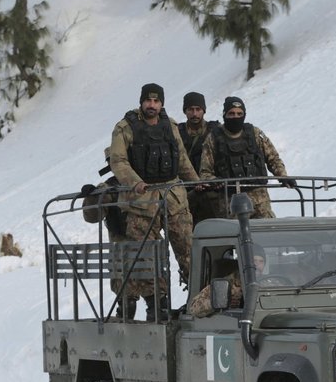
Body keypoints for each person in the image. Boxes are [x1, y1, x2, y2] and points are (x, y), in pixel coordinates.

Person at [103, 82, 201, 320]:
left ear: (162, 103)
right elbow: (118, 161)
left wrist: (196, 181)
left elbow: (181, 159)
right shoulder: (125, 128)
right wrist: (135, 182)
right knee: (147, 256)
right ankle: (157, 305)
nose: (152, 105)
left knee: (188, 249)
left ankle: (199, 301)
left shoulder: (171, 126)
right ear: (141, 102)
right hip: (141, 200)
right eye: (148, 101)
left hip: (173, 196)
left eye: (157, 101)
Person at [199, 96, 295, 219]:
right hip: (231, 203)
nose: (235, 117)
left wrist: (283, 176)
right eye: (231, 113)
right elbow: (205, 173)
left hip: (260, 201)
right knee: (235, 236)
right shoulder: (213, 139)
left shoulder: (254, 134)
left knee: (267, 233)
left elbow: (273, 158)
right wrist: (215, 182)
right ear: (224, 115)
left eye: (239, 114)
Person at [178, 91, 220, 225]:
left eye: (198, 109)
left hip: (211, 190)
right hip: (185, 191)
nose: (195, 114)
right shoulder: (177, 133)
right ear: (185, 111)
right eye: (191, 109)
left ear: (204, 110)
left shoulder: (215, 131)